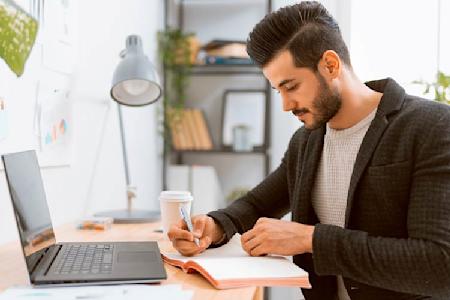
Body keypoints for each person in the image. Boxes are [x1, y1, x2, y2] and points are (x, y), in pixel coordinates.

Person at [167, 1, 450, 299]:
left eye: (291, 87)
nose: (286, 105)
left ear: (330, 65)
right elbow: (256, 205)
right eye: (279, 90)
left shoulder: (432, 127)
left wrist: (311, 239)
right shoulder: (307, 140)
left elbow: (439, 266)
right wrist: (213, 227)